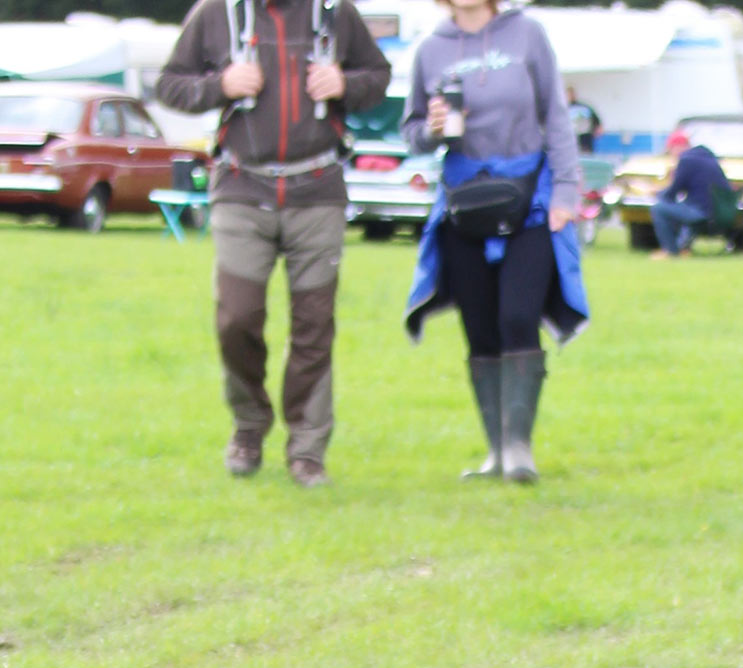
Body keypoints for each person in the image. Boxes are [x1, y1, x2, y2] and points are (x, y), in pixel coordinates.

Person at [157, 0, 390, 487]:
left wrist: (345, 84)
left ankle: (307, 449)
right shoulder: (215, 13)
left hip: (318, 189)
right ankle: (248, 425)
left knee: (314, 325)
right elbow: (170, 85)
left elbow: (378, 76)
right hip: (243, 187)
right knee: (237, 317)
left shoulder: (334, 12)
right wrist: (219, 85)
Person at [401, 0, 589, 484]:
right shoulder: (431, 49)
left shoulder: (527, 34)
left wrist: (567, 190)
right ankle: (494, 453)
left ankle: (518, 448)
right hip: (465, 205)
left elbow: (556, 115)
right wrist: (432, 130)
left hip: (529, 200)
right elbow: (412, 132)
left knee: (518, 316)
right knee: (479, 326)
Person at [647, 131, 730, 259]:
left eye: (670, 150)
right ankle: (683, 247)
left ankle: (670, 250)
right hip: (719, 212)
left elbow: (672, 193)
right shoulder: (706, 158)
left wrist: (656, 192)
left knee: (659, 208)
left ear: (676, 147)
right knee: (678, 207)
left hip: (701, 212)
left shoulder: (686, 160)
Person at [566, 84, 601, 152]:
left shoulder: (584, 107)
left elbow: (596, 120)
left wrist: (597, 130)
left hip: (585, 136)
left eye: (571, 94)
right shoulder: (564, 109)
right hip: (571, 136)